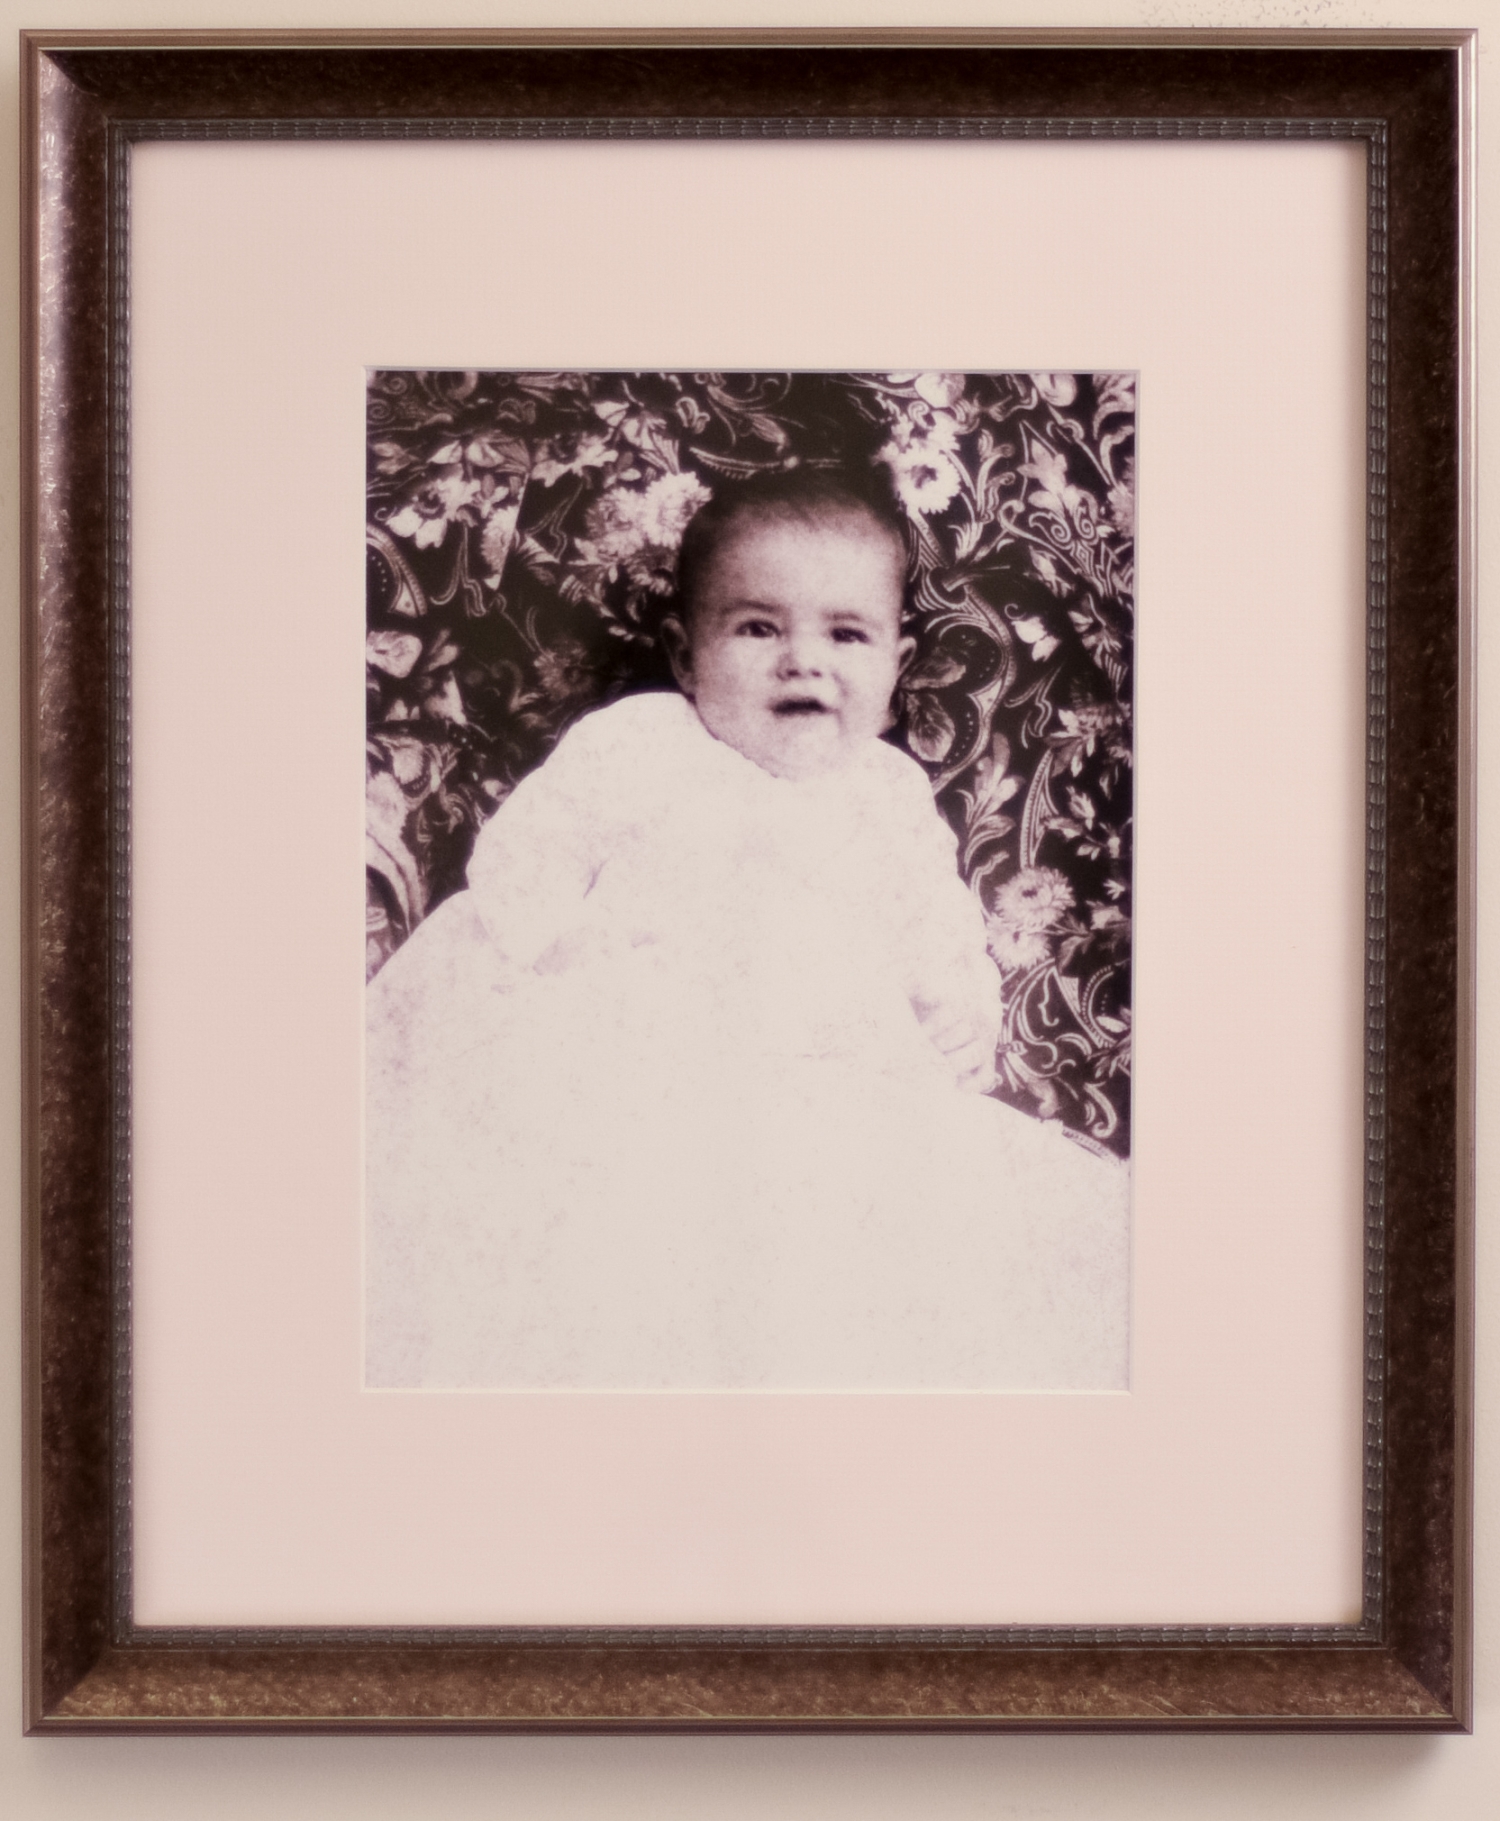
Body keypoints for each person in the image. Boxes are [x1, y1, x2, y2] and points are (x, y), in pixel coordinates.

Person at [365, 467, 1128, 1390]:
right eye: (758, 628)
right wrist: (559, 959)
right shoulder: (643, 743)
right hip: (630, 1049)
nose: (803, 660)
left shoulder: (887, 796)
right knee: (582, 1247)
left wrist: (961, 1011)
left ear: (896, 665)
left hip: (831, 1080)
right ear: (686, 656)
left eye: (847, 634)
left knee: (927, 1248)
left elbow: (938, 925)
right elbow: (527, 854)